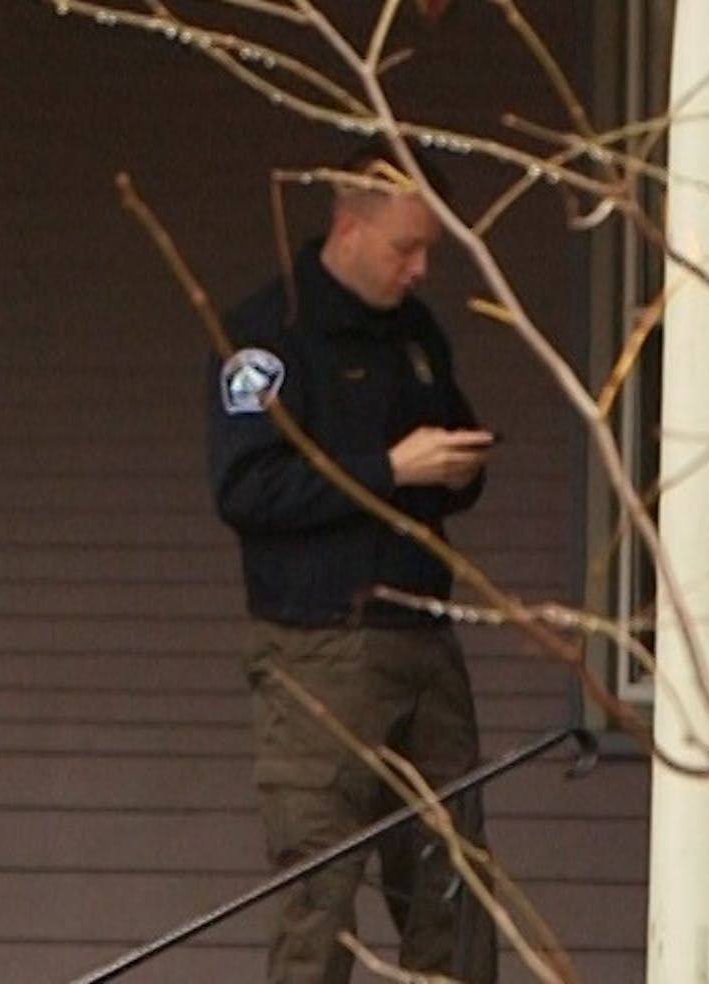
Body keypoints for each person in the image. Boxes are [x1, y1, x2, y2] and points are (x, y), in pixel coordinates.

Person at [207, 138, 498, 984]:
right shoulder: (268, 336)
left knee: (454, 884)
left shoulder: (418, 334)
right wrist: (390, 470)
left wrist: (458, 465)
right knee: (321, 894)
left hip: (424, 639)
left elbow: (444, 454)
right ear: (348, 226)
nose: (418, 269)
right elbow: (246, 490)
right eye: (406, 248)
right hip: (319, 651)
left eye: (429, 253)